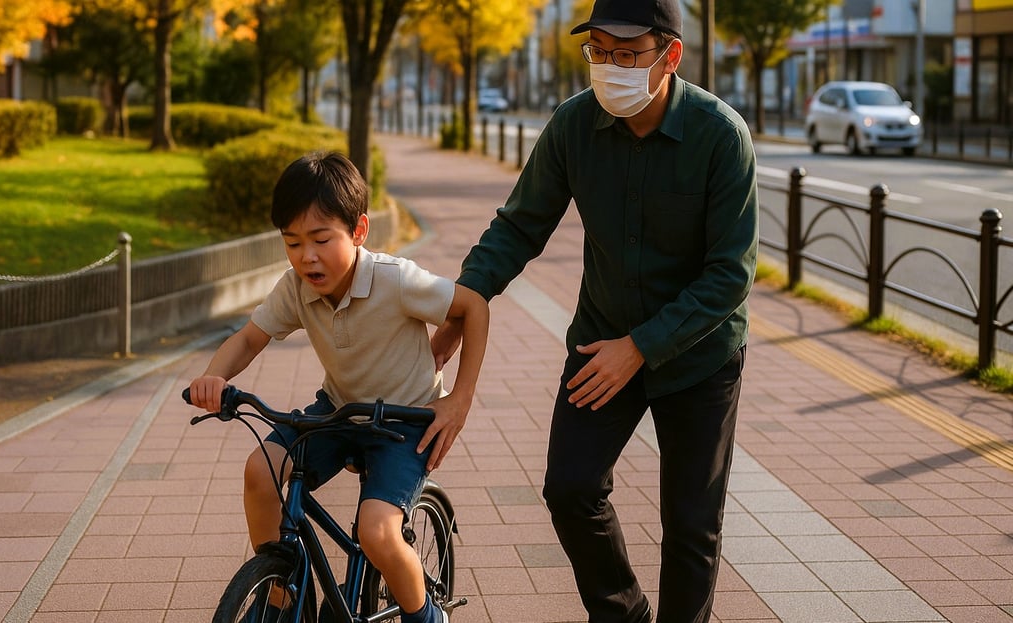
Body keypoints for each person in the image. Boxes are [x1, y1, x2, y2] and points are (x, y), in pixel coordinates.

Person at [431, 0, 758, 621]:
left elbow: (730, 276)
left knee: (691, 525)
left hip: (699, 355)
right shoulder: (574, 125)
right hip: (601, 338)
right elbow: (518, 227)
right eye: (599, 51)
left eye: (628, 54)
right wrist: (460, 309)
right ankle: (624, 614)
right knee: (570, 488)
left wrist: (639, 348)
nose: (610, 66)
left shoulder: (721, 136)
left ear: (671, 55)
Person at [187, 151, 488, 623]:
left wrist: (459, 400)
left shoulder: (395, 280)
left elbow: (474, 309)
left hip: (405, 423)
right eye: (292, 242)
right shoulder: (295, 287)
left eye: (321, 239)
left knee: (377, 530)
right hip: (340, 410)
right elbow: (249, 337)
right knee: (260, 472)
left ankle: (428, 616)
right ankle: (281, 596)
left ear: (359, 231)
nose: (307, 256)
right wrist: (215, 377)